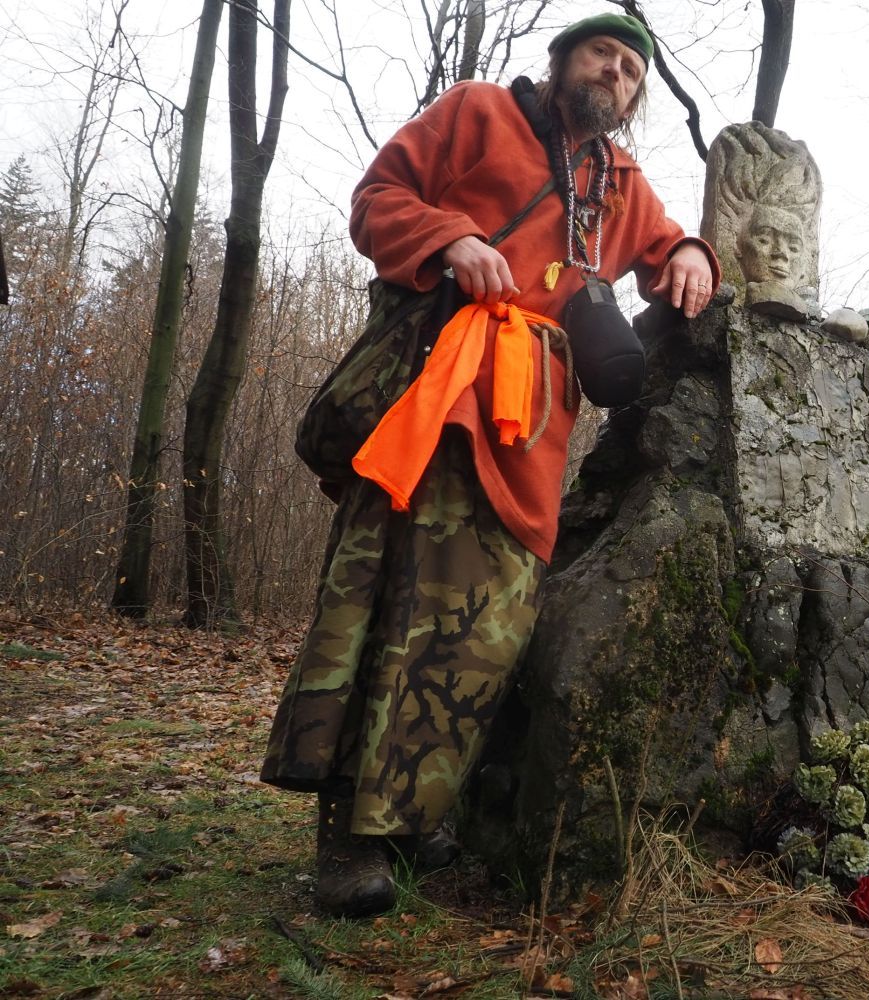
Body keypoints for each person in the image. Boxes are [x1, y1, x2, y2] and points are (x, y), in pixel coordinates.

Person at [260, 12, 719, 918]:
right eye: (602, 55)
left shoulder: (618, 181)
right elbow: (376, 199)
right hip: (430, 397)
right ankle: (349, 841)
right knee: (387, 600)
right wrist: (449, 240)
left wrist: (695, 251)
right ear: (560, 61)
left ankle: (416, 812)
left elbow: (665, 246)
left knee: (486, 625)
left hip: (529, 432)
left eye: (631, 71)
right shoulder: (474, 112)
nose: (615, 75)